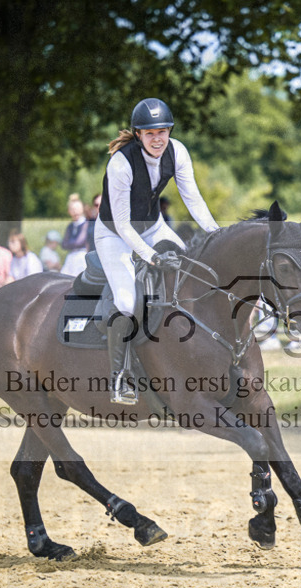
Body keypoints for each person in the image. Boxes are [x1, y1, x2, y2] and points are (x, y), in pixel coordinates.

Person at [95, 96, 220, 404]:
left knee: (196, 274)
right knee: (126, 301)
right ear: (138, 134)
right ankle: (120, 377)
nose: (157, 139)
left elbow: (193, 199)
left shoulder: (178, 152)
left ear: (170, 131)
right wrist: (152, 257)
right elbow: (123, 225)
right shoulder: (121, 163)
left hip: (154, 226)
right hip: (114, 234)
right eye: (149, 133)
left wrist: (217, 234)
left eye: (162, 131)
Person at [60, 194, 91, 276]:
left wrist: (69, 243)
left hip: (82, 256)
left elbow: (79, 241)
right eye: (72, 209)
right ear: (69, 211)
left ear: (82, 209)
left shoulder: (86, 224)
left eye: (77, 209)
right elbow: (63, 244)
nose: (75, 212)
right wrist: (71, 243)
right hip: (71, 256)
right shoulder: (70, 226)